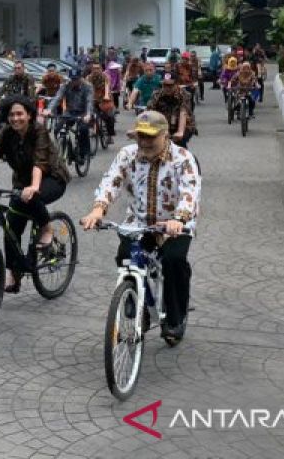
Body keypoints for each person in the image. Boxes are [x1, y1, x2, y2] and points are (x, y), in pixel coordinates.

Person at [80, 110, 201, 346]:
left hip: (174, 225)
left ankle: (176, 317)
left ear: (165, 135)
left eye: (150, 137)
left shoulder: (183, 158)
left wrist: (180, 218)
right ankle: (137, 302)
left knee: (173, 261)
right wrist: (98, 209)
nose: (144, 142)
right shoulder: (127, 154)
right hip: (139, 223)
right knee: (124, 255)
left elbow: (190, 192)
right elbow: (111, 181)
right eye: (140, 136)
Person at [0, 96, 70, 294]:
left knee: (33, 198)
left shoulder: (38, 131)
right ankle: (14, 274)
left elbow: (40, 161)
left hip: (52, 178)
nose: (15, 118)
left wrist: (34, 186)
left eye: (20, 114)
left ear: (29, 115)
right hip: (22, 185)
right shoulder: (8, 133)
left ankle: (46, 228)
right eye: (11, 115)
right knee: (11, 226)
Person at [46, 68, 94, 158]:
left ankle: (85, 151)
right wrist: (49, 109)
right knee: (57, 129)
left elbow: (89, 101)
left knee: (83, 129)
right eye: (72, 79)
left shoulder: (87, 86)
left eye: (76, 79)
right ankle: (62, 145)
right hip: (69, 112)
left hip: (83, 113)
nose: (74, 81)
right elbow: (57, 98)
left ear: (81, 78)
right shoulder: (65, 85)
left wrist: (88, 114)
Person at [147, 73, 194, 148]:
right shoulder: (156, 94)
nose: (167, 88)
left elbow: (183, 112)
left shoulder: (184, 94)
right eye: (165, 85)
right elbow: (149, 112)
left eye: (170, 85)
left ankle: (184, 157)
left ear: (177, 84)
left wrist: (180, 132)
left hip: (183, 125)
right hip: (162, 124)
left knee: (179, 144)